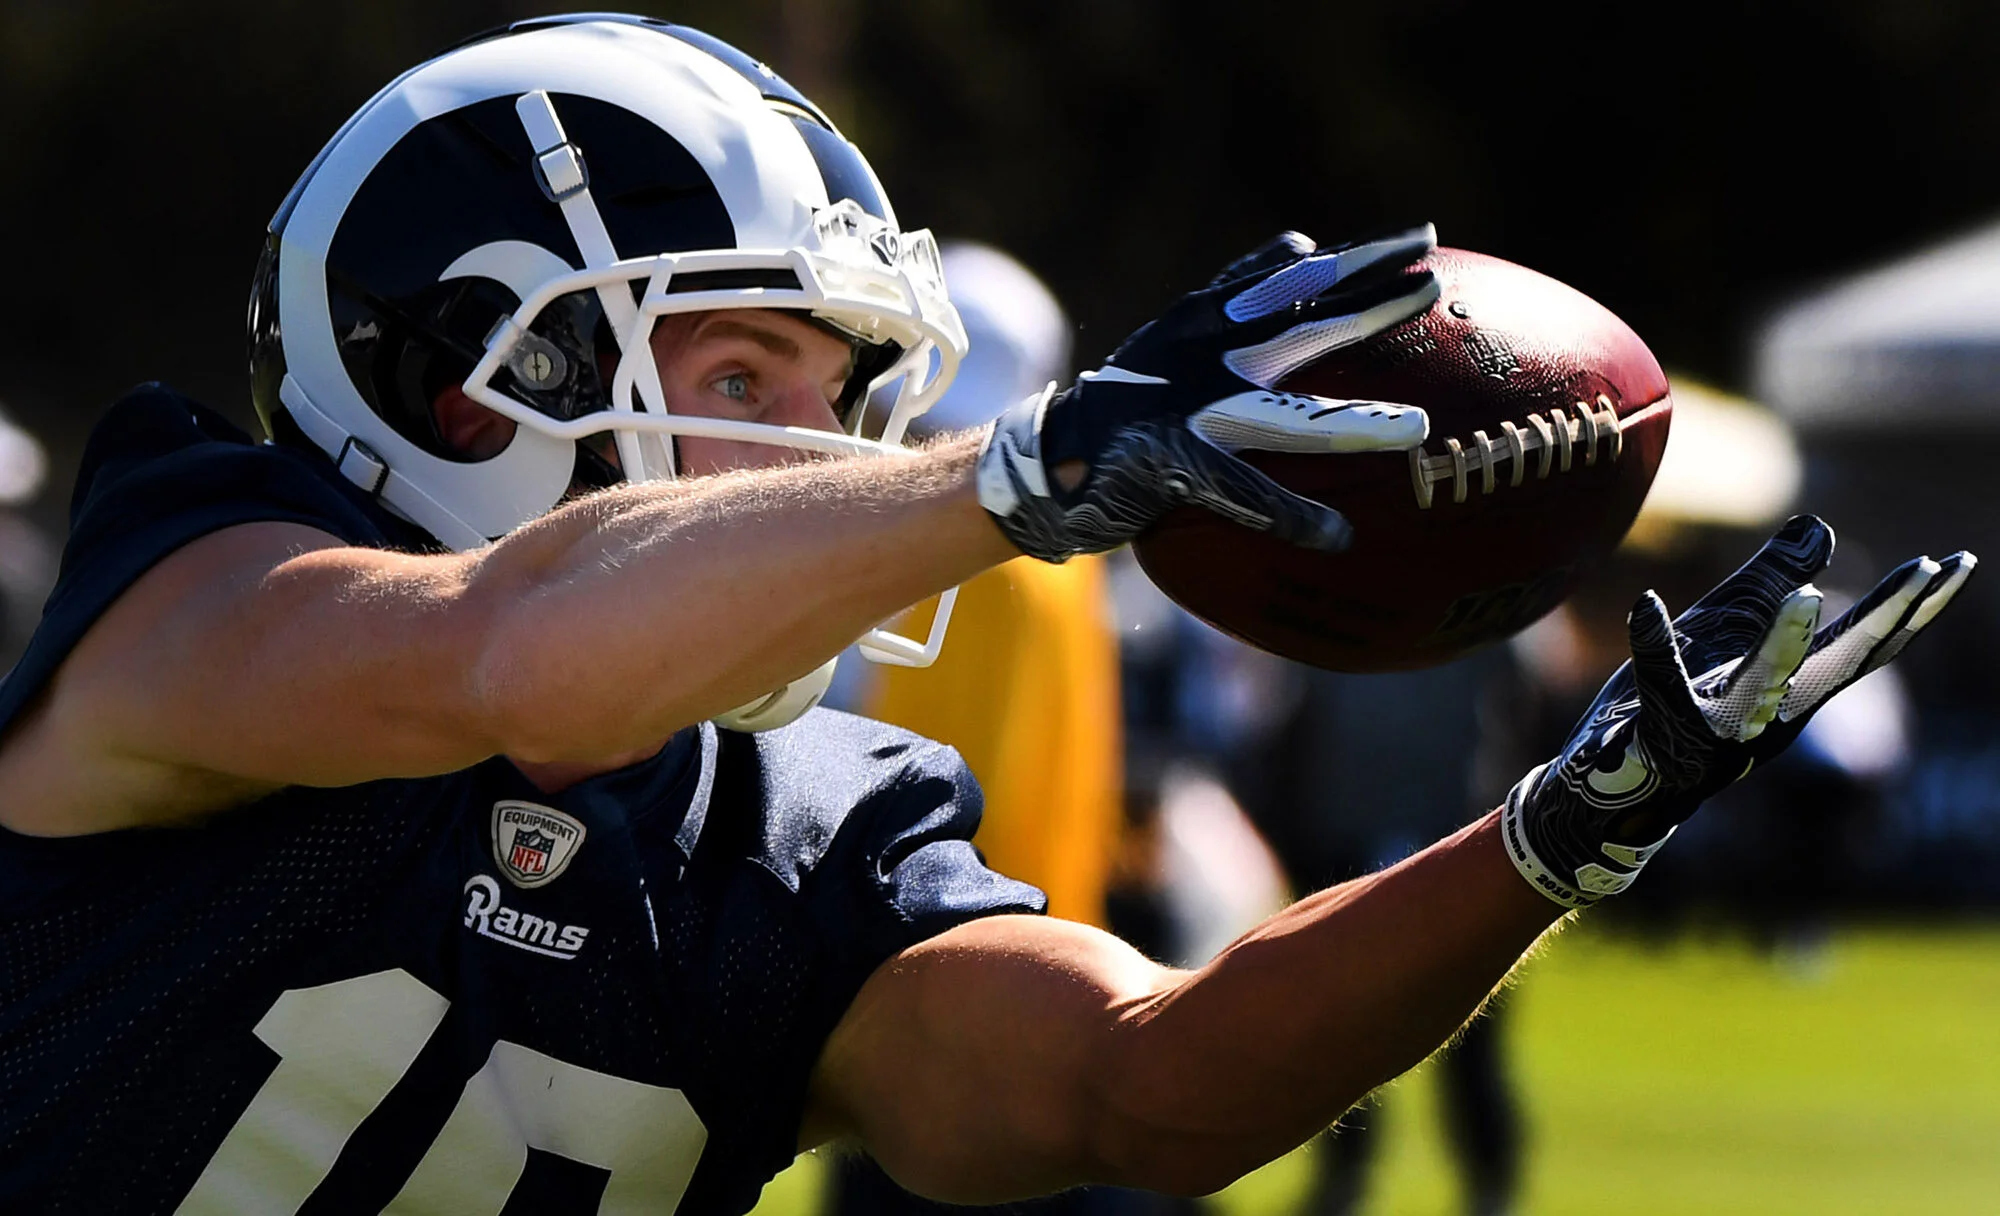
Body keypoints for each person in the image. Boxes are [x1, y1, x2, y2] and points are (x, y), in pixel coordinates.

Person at [0, 15, 1973, 1216]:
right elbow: (498, 652)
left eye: (851, 399)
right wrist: (1007, 475)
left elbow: (1143, 1081)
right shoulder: (208, 581)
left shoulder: (786, 835)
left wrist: (1549, 839)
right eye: (750, 374)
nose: (827, 450)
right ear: (461, 375)